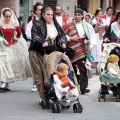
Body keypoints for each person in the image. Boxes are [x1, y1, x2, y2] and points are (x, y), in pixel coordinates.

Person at [29, 6, 67, 104]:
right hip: (37, 53)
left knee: (50, 74)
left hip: (50, 53)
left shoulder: (55, 24)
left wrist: (63, 43)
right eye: (48, 15)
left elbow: (62, 35)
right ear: (43, 15)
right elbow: (34, 35)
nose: (50, 17)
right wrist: (42, 42)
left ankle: (52, 95)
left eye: (51, 15)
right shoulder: (37, 24)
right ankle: (42, 98)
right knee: (39, 77)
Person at [62, 9, 97, 94]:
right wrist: (71, 38)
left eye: (79, 15)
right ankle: (74, 86)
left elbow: (92, 37)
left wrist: (91, 46)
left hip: (83, 49)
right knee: (72, 68)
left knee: (83, 68)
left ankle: (83, 87)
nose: (77, 16)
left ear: (82, 16)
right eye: (75, 14)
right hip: (71, 49)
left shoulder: (88, 26)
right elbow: (62, 35)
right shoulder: (68, 25)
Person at [0, 8, 31, 92]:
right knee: (3, 63)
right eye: (6, 16)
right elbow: (0, 35)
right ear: (3, 16)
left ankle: (6, 83)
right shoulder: (0, 25)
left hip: (12, 46)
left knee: (9, 63)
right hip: (2, 46)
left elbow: (19, 33)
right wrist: (2, 39)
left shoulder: (14, 24)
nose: (8, 18)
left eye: (9, 16)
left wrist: (15, 40)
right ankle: (3, 82)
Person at [26, 2, 43, 91]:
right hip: (35, 46)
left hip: (45, 46)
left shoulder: (46, 20)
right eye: (39, 9)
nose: (41, 11)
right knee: (35, 65)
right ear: (36, 11)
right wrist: (36, 38)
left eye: (42, 9)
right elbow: (28, 33)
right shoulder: (32, 21)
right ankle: (35, 83)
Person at [91, 9, 108, 74]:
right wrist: (98, 23)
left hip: (102, 37)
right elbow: (95, 30)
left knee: (101, 52)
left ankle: (100, 68)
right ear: (96, 15)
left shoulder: (104, 21)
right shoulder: (93, 21)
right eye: (99, 14)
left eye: (101, 14)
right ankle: (96, 69)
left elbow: (106, 29)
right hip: (96, 37)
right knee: (96, 52)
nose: (100, 15)